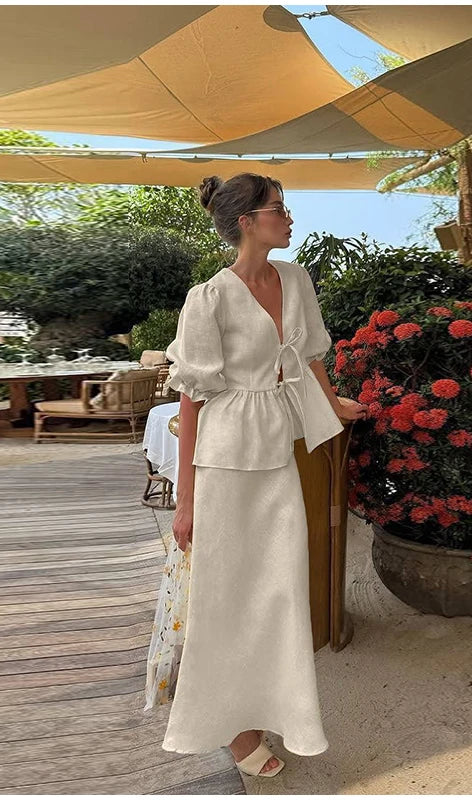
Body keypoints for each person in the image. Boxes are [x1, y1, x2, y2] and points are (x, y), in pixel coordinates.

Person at [160, 173, 368, 776]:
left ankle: (284, 712)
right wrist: (185, 502)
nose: (289, 217)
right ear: (247, 221)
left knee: (279, 592)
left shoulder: (295, 279)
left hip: (277, 452)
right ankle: (234, 728)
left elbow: (309, 357)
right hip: (223, 460)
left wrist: (332, 404)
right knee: (225, 597)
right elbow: (191, 401)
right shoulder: (208, 298)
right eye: (278, 209)